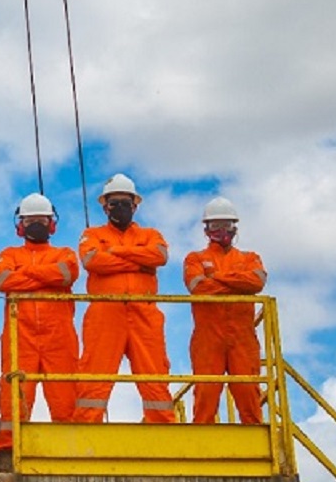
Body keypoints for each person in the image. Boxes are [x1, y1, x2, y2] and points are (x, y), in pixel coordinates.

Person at [75, 173, 176, 423]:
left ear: (135, 205)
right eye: (114, 203)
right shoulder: (91, 234)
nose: (119, 207)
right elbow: (92, 261)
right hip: (105, 313)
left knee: (154, 374)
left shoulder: (151, 234)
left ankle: (162, 429)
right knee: (94, 375)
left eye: (125, 203)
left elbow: (159, 256)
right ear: (105, 206)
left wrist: (115, 252)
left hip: (144, 313)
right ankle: (87, 427)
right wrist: (138, 261)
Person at [0, 193, 80, 460]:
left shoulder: (64, 254)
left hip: (58, 337)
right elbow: (2, 280)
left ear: (51, 224)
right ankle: (9, 450)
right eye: (31, 220)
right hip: (21, 337)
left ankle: (70, 452)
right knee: (14, 396)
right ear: (20, 225)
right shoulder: (9, 254)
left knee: (65, 397)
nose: (36, 225)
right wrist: (46, 277)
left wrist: (25, 274)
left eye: (41, 220)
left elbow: (66, 274)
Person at [184, 197, 267, 424]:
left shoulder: (250, 258)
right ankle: (202, 439)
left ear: (234, 227)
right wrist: (236, 282)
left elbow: (257, 282)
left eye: (226, 225)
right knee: (206, 392)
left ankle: (253, 437)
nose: (221, 231)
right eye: (215, 226)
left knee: (248, 391)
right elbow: (198, 287)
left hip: (242, 337)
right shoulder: (195, 258)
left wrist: (217, 279)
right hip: (208, 337)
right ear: (206, 229)